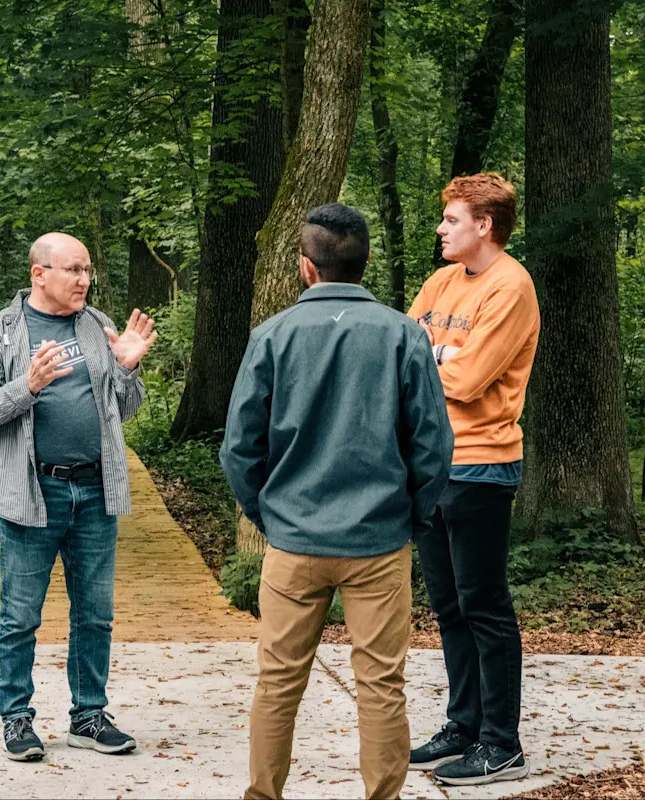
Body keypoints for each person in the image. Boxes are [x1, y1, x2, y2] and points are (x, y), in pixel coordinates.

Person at [220, 204, 453, 800]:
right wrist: (412, 515)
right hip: (378, 540)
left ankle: (263, 796)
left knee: (276, 683)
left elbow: (239, 448)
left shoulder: (271, 336)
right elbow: (433, 445)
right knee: (381, 685)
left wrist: (269, 515)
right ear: (365, 260)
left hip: (294, 539)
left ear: (306, 266)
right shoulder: (404, 334)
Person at [0, 232, 157, 762]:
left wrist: (128, 366)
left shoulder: (97, 327)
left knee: (95, 613)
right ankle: (17, 720)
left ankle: (88, 716)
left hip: (94, 488)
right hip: (32, 492)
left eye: (87, 270)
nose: (83, 280)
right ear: (38, 274)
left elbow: (125, 408)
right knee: (20, 616)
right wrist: (25, 386)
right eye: (72, 270)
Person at [405, 173, 540, 786]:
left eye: (451, 220)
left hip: (482, 463)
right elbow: (401, 357)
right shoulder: (440, 281)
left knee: (484, 603)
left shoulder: (510, 287)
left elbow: (465, 381)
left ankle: (501, 742)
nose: (441, 228)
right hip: (432, 463)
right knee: (448, 604)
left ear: (483, 225)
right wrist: (440, 356)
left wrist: (434, 357)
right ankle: (462, 726)